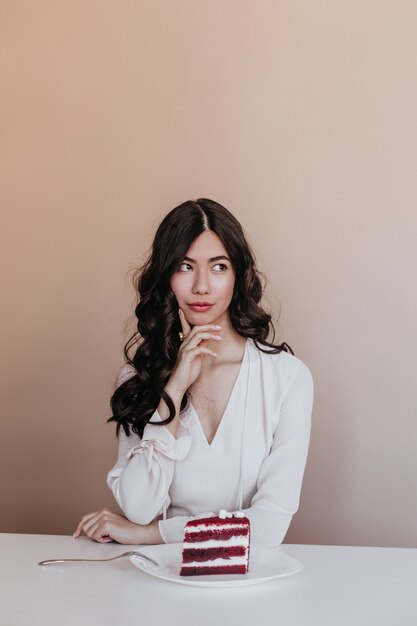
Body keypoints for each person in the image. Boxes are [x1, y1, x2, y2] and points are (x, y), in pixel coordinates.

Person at [73, 198, 313, 547]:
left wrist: (152, 535)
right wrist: (175, 387)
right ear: (166, 275)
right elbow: (139, 507)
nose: (201, 286)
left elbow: (269, 528)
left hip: (249, 586)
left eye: (218, 267)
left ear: (238, 274)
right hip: (159, 582)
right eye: (185, 267)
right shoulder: (139, 378)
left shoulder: (287, 378)